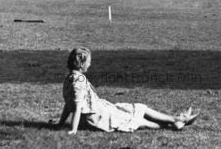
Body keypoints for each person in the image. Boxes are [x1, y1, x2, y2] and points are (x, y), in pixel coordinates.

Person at [54, 48, 198, 134]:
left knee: (138, 108)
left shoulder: (70, 78)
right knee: (137, 120)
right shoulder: (78, 81)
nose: (90, 64)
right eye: (88, 61)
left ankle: (176, 120)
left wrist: (61, 123)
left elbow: (69, 104)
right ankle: (176, 122)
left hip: (99, 112)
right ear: (81, 63)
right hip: (97, 118)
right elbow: (77, 106)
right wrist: (73, 129)